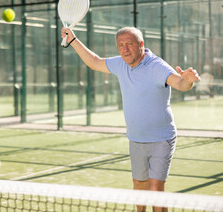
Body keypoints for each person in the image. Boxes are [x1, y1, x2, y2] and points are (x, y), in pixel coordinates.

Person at [61, 27, 200, 212]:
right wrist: (72, 40)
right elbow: (94, 62)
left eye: (129, 44)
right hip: (135, 138)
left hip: (161, 139)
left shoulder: (157, 66)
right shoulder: (120, 64)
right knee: (139, 185)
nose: (125, 49)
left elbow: (180, 84)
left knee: (155, 189)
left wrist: (188, 80)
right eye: (120, 45)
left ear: (141, 45)